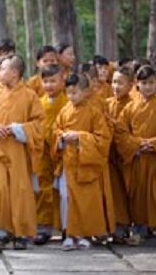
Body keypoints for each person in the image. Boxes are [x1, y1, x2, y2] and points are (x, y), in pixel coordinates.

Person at [0, 55, 44, 250]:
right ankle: (0, 232)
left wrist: (19, 129)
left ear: (15, 73)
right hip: (0, 151)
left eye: (3, 69)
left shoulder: (30, 95)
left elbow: (39, 124)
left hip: (20, 152)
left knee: (21, 192)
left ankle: (22, 233)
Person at [116, 65, 156, 249]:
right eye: (144, 83)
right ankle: (138, 231)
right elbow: (121, 132)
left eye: (151, 83)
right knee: (138, 195)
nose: (148, 87)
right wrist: (136, 144)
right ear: (137, 84)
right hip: (137, 159)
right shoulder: (129, 108)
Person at [53, 74, 110, 251]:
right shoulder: (64, 110)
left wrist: (80, 137)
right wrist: (61, 137)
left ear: (86, 92)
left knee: (86, 200)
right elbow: (55, 130)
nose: (71, 97)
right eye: (68, 93)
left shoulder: (94, 112)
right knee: (66, 197)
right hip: (67, 162)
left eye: (75, 92)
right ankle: (69, 233)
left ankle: (85, 234)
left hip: (86, 163)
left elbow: (103, 138)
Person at [34, 64, 68, 245]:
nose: (49, 85)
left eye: (53, 81)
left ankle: (66, 227)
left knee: (62, 191)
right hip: (42, 153)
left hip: (62, 152)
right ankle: (43, 227)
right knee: (42, 188)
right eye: (45, 81)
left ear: (63, 82)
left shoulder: (68, 103)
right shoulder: (39, 102)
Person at [106, 66, 135, 244]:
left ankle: (130, 226)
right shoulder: (107, 103)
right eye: (114, 82)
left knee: (128, 192)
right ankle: (115, 227)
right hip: (109, 155)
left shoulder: (134, 105)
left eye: (120, 83)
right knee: (114, 193)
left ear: (131, 85)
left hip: (128, 155)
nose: (116, 86)